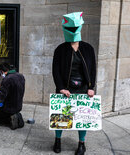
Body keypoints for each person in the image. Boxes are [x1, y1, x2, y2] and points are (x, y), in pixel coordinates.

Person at [52, 12, 96, 155]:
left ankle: (81, 144)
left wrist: (91, 87)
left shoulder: (88, 49)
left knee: (83, 118)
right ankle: (58, 140)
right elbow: (56, 71)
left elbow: (93, 69)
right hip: (66, 88)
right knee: (62, 117)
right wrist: (61, 88)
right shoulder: (60, 49)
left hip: (83, 89)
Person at [0, 63, 25, 130]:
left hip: (8, 109)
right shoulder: (20, 76)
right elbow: (13, 89)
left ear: (2, 71)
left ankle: (9, 119)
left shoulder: (7, 79)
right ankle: (17, 116)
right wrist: (1, 87)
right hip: (18, 106)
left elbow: (0, 98)